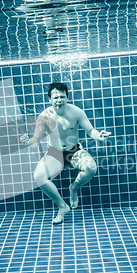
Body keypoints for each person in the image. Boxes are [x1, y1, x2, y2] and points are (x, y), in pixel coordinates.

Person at [20, 82, 111, 224]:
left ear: (67, 97)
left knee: (91, 168)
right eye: (55, 97)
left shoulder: (76, 112)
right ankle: (62, 206)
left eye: (62, 97)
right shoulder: (44, 116)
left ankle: (73, 188)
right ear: (49, 99)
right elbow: (36, 139)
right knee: (39, 176)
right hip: (54, 153)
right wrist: (27, 142)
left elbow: (90, 130)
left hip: (74, 151)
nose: (59, 100)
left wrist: (98, 135)